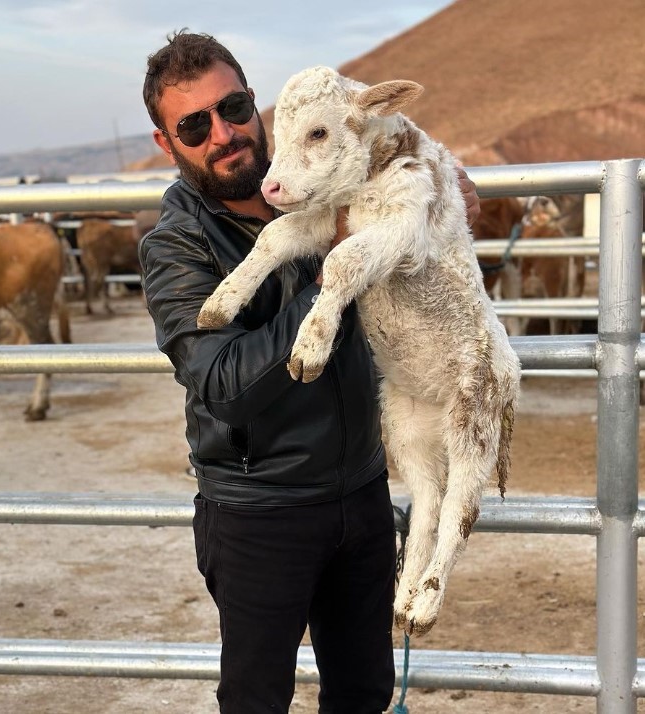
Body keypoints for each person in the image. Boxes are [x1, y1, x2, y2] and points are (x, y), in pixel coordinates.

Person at [139, 30, 481, 713]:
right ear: (167, 143)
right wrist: (339, 270)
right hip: (260, 511)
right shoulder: (175, 245)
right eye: (194, 125)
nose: (224, 133)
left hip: (360, 493)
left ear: (257, 105)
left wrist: (439, 213)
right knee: (257, 698)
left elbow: (422, 242)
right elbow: (225, 386)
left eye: (233, 107)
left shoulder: (338, 178)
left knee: (363, 693)